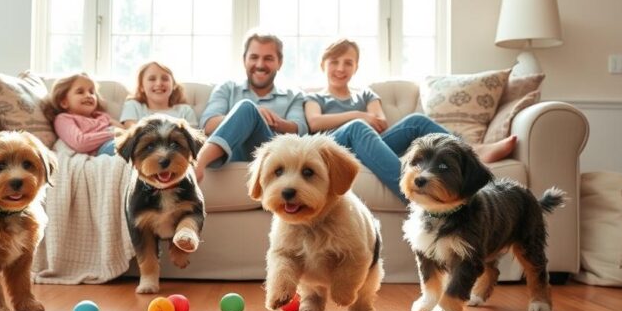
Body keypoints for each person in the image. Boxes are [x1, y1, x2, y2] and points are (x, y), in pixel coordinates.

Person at [304, 38, 516, 202]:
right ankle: (412, 196)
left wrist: (368, 120)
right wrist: (358, 115)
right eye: (334, 62)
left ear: (356, 67)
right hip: (335, 150)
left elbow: (380, 122)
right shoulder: (315, 97)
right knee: (357, 127)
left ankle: (470, 150)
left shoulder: (365, 95)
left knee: (416, 120)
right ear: (323, 65)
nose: (341, 68)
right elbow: (315, 123)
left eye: (348, 63)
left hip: (368, 147)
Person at [194, 31, 308, 182]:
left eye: (268, 58)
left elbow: (301, 129)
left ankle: (197, 164)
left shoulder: (293, 95)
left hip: (273, 155)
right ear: (244, 60)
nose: (260, 65)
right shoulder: (227, 88)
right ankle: (200, 163)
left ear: (279, 62)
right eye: (254, 57)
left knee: (248, 108)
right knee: (247, 108)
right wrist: (247, 116)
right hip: (232, 153)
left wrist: (272, 121)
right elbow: (207, 123)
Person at [42, 73, 124, 156]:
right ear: (64, 102)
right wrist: (113, 134)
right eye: (80, 92)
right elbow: (79, 142)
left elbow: (124, 131)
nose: (88, 95)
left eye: (91, 92)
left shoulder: (102, 116)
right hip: (105, 149)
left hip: (116, 142)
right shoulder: (63, 119)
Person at [120, 61, 198, 128]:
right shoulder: (133, 106)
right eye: (152, 79)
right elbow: (132, 133)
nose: (159, 83)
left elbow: (193, 138)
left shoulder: (185, 110)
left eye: (165, 79)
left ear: (173, 85)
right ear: (141, 86)